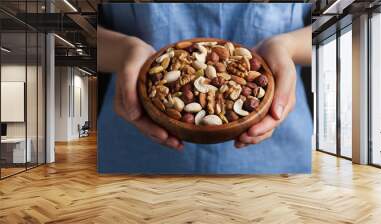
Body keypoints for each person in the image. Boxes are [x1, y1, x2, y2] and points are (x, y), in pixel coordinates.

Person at [97, 3, 312, 173]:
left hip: (275, 166)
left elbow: (338, 23)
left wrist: (288, 46)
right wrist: (125, 50)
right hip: (135, 160)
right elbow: (79, 30)